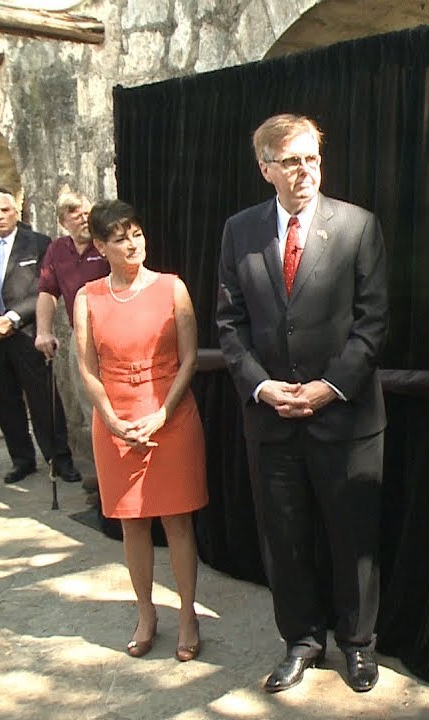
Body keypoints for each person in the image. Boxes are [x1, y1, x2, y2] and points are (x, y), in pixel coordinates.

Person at [216, 114, 388, 694]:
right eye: (290, 161)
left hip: (344, 417)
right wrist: (263, 387)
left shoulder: (358, 227)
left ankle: (358, 646)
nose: (304, 171)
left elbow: (373, 323)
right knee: (284, 540)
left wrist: (329, 386)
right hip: (272, 420)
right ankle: (301, 641)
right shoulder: (239, 232)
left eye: (312, 158)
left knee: (352, 538)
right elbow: (230, 323)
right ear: (265, 168)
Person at [74, 199, 207, 661]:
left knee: (178, 520)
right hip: (116, 420)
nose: (132, 245)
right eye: (119, 238)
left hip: (171, 415)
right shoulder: (88, 297)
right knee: (133, 523)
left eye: (137, 234)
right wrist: (111, 419)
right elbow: (87, 368)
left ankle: (188, 612)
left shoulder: (172, 287)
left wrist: (162, 413)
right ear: (99, 246)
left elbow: (190, 358)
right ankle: (146, 612)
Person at [0, 191, 82, 486]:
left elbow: (44, 288)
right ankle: (21, 459)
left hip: (26, 331)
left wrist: (11, 318)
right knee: (4, 400)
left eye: (5, 210)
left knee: (44, 399)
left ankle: (59, 459)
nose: (0, 216)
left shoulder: (37, 242)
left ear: (16, 212)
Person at [35, 191, 106, 494]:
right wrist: (43, 331)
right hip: (81, 341)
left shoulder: (105, 244)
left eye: (86, 211)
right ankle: (104, 476)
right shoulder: (57, 249)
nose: (82, 217)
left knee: (113, 410)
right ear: (63, 221)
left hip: (112, 339)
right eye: (74, 212)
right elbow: (47, 292)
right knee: (91, 412)